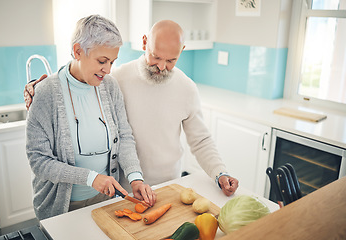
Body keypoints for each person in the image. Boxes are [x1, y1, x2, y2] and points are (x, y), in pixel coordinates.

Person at [25, 20, 239, 197]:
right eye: (156, 57)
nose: (162, 66)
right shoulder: (116, 79)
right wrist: (41, 86)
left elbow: (201, 140)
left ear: (182, 51)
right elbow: (81, 72)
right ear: (144, 43)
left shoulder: (187, 89)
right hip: (122, 188)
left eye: (171, 60)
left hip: (167, 185)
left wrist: (219, 172)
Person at [26, 15, 155, 220]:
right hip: (64, 207)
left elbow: (124, 136)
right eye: (102, 61)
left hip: (107, 201)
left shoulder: (110, 86)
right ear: (78, 51)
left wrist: (135, 178)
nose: (108, 69)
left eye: (112, 61)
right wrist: (90, 178)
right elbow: (38, 160)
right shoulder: (46, 93)